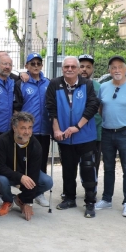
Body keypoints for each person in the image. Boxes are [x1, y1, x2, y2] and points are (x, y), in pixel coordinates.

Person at [45, 56, 100, 218]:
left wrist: (77, 127)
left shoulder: (87, 85)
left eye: (72, 67)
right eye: (66, 66)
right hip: (64, 137)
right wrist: (56, 130)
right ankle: (69, 198)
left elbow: (92, 107)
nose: (69, 69)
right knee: (68, 169)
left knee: (88, 169)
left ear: (77, 69)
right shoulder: (54, 84)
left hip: (85, 136)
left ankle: (90, 202)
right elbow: (51, 108)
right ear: (62, 69)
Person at [95, 56, 126, 218]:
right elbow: (101, 110)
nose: (116, 70)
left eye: (120, 67)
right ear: (109, 71)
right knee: (108, 167)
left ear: (125, 69)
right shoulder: (103, 87)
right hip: (107, 133)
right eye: (113, 68)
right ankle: (106, 199)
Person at [0, 112, 53, 221]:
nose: (27, 132)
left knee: (47, 181)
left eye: (30, 128)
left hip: (27, 175)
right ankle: (8, 200)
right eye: (23, 128)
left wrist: (28, 201)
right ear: (14, 128)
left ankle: (20, 199)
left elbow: (34, 174)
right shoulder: (2, 141)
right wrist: (20, 176)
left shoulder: (36, 145)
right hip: (8, 176)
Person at [13, 53, 51, 207]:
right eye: (32, 63)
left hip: (44, 130)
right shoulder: (21, 82)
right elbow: (16, 108)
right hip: (28, 132)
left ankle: (38, 193)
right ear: (26, 65)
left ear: (42, 66)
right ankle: (26, 193)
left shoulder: (48, 82)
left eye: (38, 63)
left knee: (41, 163)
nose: (35, 66)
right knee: (27, 163)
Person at [78, 54, 103, 175]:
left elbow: (101, 111)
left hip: (94, 133)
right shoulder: (71, 85)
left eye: (88, 67)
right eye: (81, 66)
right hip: (74, 132)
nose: (84, 69)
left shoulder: (99, 88)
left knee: (91, 164)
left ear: (92, 69)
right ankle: (69, 190)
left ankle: (91, 190)